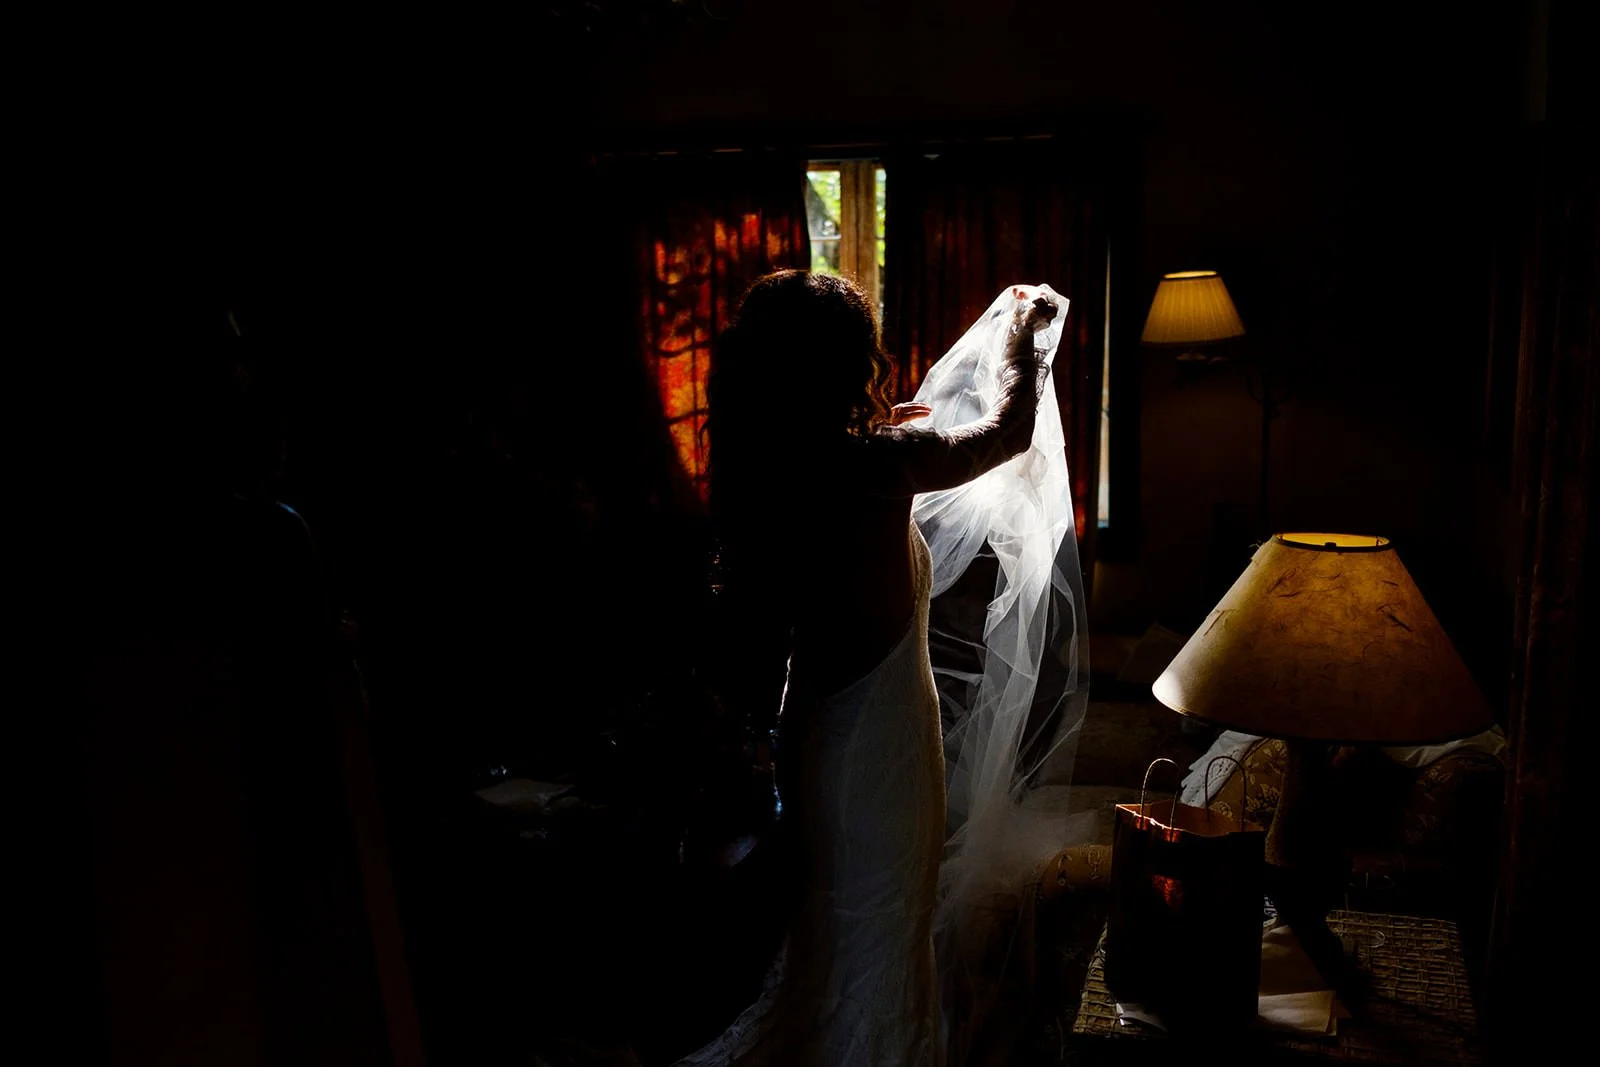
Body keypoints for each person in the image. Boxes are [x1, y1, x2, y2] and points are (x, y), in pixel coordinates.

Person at [683, 270, 1059, 1066]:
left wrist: (888, 435)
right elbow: (1010, 429)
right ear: (847, 362)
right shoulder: (879, 463)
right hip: (882, 750)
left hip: (817, 730)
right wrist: (1022, 333)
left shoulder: (782, 470)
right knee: (883, 925)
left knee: (835, 927)